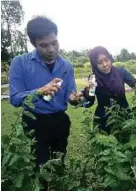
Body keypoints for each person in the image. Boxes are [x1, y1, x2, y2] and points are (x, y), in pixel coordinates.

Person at [9, 16, 81, 167]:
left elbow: (70, 93)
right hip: (34, 122)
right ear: (33, 43)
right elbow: (15, 99)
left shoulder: (66, 65)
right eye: (44, 45)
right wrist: (40, 91)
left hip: (60, 121)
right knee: (38, 167)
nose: (51, 49)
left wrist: (74, 98)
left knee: (58, 164)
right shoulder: (20, 63)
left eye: (54, 43)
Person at [81, 46, 136, 134]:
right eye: (99, 62)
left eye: (106, 60)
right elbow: (89, 101)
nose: (105, 64)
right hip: (104, 120)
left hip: (124, 116)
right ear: (94, 64)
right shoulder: (93, 78)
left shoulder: (121, 72)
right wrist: (87, 93)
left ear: (110, 58)